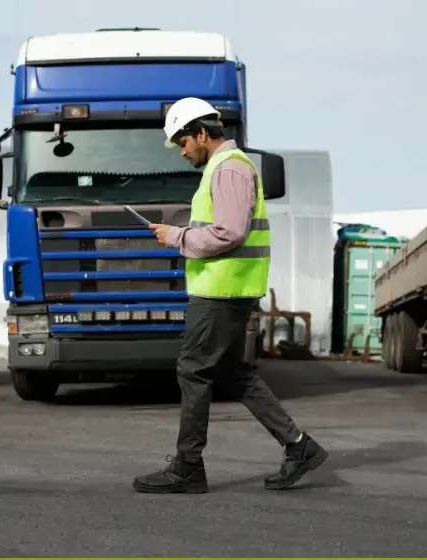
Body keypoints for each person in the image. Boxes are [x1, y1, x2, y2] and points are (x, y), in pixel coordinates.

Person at [131, 97, 328, 494]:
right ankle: (298, 445)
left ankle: (188, 467)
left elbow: (230, 232)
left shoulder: (230, 169)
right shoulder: (225, 168)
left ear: (202, 133)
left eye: (183, 142)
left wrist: (177, 237)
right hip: (226, 288)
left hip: (221, 292)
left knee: (193, 369)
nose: (182, 151)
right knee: (232, 372)